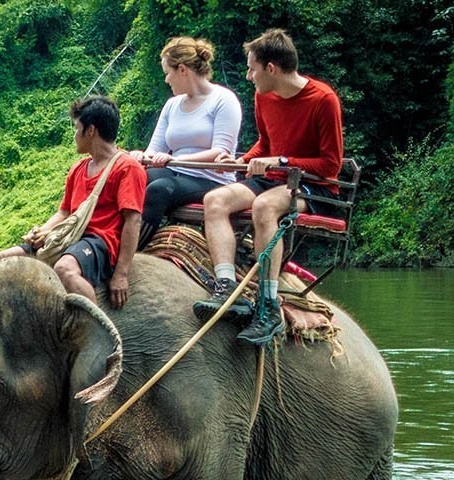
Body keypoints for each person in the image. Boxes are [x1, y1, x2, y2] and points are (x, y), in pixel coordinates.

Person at [192, 28, 344, 345]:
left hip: (311, 187)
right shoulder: (263, 96)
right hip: (273, 179)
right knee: (214, 200)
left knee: (264, 207)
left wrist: (282, 161)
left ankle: (268, 304)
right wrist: (241, 160)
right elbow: (265, 143)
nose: (249, 76)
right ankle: (226, 287)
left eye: (252, 69)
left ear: (271, 68)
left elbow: (331, 165)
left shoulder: (323, 99)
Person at [0, 96, 147, 309]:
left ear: (90, 131)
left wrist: (121, 273)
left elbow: (133, 220)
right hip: (67, 236)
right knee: (1, 259)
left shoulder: (127, 168)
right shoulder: (78, 169)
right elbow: (64, 213)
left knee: (64, 269)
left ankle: (97, 327)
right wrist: (41, 232)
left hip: (98, 242)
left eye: (77, 128)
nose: (74, 135)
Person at [131, 36, 242, 249]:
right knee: (135, 178)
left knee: (159, 190)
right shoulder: (172, 105)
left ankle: (130, 251)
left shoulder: (223, 99)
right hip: (175, 172)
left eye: (168, 73)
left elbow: (221, 152)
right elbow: (154, 150)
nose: (166, 80)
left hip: (209, 178)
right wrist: (140, 156)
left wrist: (175, 159)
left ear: (182, 69)